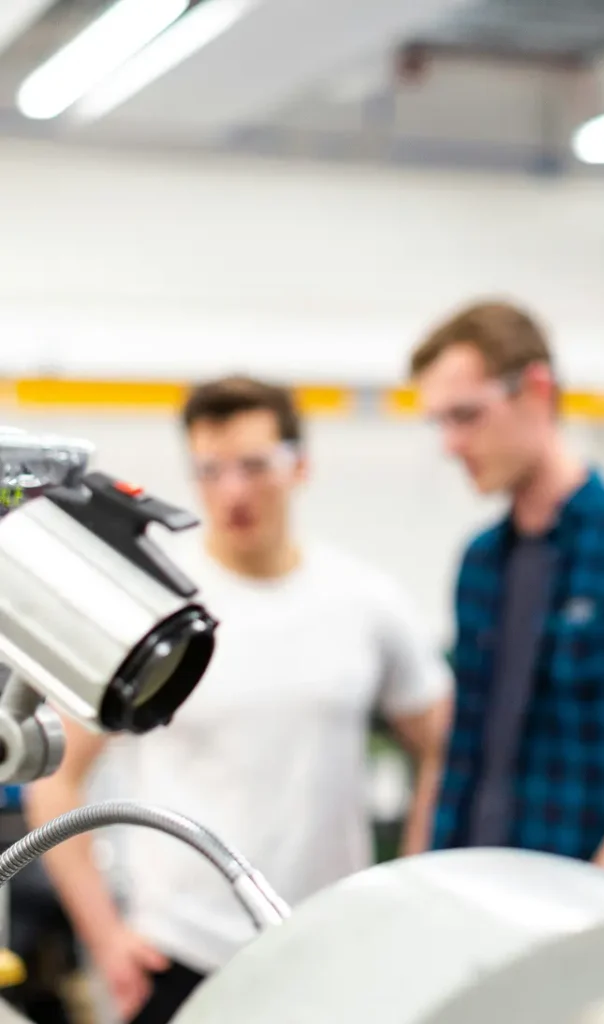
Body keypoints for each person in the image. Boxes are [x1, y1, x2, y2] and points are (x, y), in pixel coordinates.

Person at [25, 376, 452, 1024]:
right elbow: (54, 778)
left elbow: (443, 749)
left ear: (299, 465)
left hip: (328, 951)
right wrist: (107, 938)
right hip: (178, 960)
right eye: (211, 469)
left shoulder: (366, 603)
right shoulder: (151, 604)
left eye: (255, 466)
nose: (233, 490)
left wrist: (405, 894)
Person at [409, 300, 604, 884]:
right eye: (441, 422)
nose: (451, 444)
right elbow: (462, 760)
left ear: (535, 389)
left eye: (466, 416)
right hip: (486, 907)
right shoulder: (480, 565)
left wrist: (579, 916)